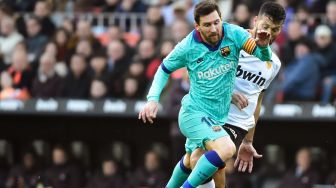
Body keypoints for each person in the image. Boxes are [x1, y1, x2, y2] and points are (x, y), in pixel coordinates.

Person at [138, 1, 273, 187]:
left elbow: (262, 55)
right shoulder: (188, 46)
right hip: (193, 114)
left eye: (216, 22)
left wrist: (264, 46)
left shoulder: (234, 34)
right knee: (226, 148)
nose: (214, 28)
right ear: (198, 26)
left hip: (217, 117)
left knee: (189, 160)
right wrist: (152, 100)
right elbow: (163, 69)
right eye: (207, 25)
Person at [187, 2, 285, 187]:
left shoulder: (274, 64)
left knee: (200, 158)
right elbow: (196, 75)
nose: (269, 33)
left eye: (276, 29)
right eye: (265, 26)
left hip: (236, 122)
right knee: (193, 161)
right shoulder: (230, 40)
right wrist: (229, 94)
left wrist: (248, 141)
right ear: (255, 21)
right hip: (209, 111)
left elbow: (258, 101)